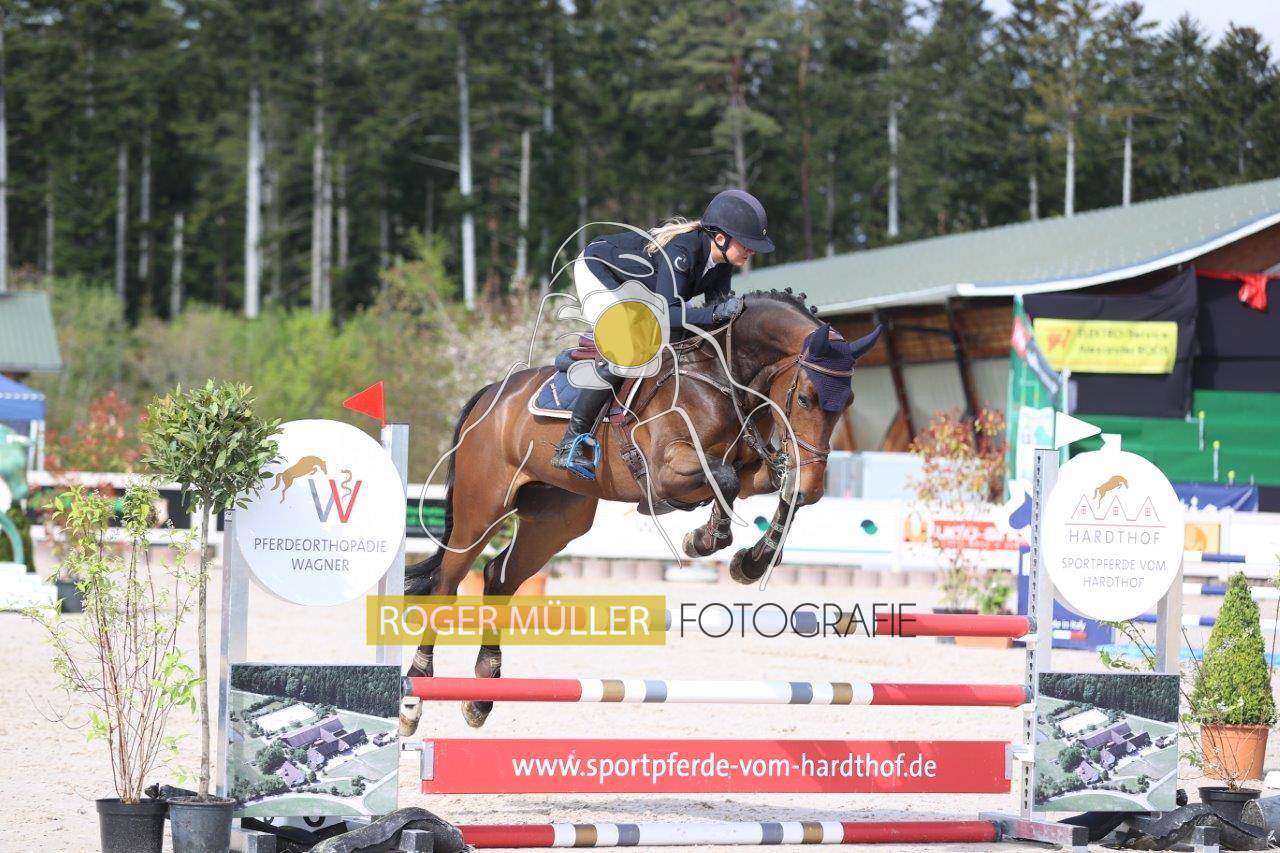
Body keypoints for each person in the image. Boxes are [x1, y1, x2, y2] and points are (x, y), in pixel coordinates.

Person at [552, 189, 775, 479]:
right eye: (747, 244)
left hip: (644, 292)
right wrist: (715, 314)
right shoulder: (682, 251)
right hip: (600, 273)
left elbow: (715, 325)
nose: (752, 251)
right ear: (721, 238)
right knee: (629, 353)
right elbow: (668, 315)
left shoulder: (721, 265)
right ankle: (571, 441)